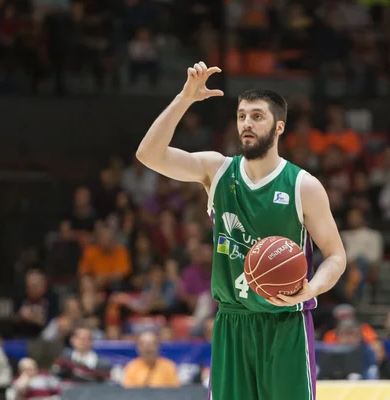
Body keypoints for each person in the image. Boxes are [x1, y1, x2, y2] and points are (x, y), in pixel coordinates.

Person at [136, 62, 347, 400]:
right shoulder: (216, 171)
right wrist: (184, 98)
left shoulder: (303, 186)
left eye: (257, 116)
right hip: (232, 323)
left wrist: (312, 289)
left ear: (278, 127)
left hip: (285, 324)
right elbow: (148, 155)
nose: (247, 123)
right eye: (242, 116)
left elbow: (336, 256)